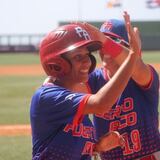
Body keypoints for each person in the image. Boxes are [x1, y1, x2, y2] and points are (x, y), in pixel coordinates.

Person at [30, 12, 139, 160]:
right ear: (56, 65)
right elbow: (101, 104)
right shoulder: (48, 97)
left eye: (88, 55)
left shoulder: (80, 105)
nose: (87, 62)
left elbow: (70, 145)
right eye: (78, 56)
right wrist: (132, 56)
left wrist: (97, 147)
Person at [90, 13, 160, 160]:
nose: (104, 49)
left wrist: (133, 52)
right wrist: (98, 147)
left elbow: (135, 65)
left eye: (112, 42)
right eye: (100, 44)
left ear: (127, 47)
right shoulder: (94, 79)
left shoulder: (143, 74)